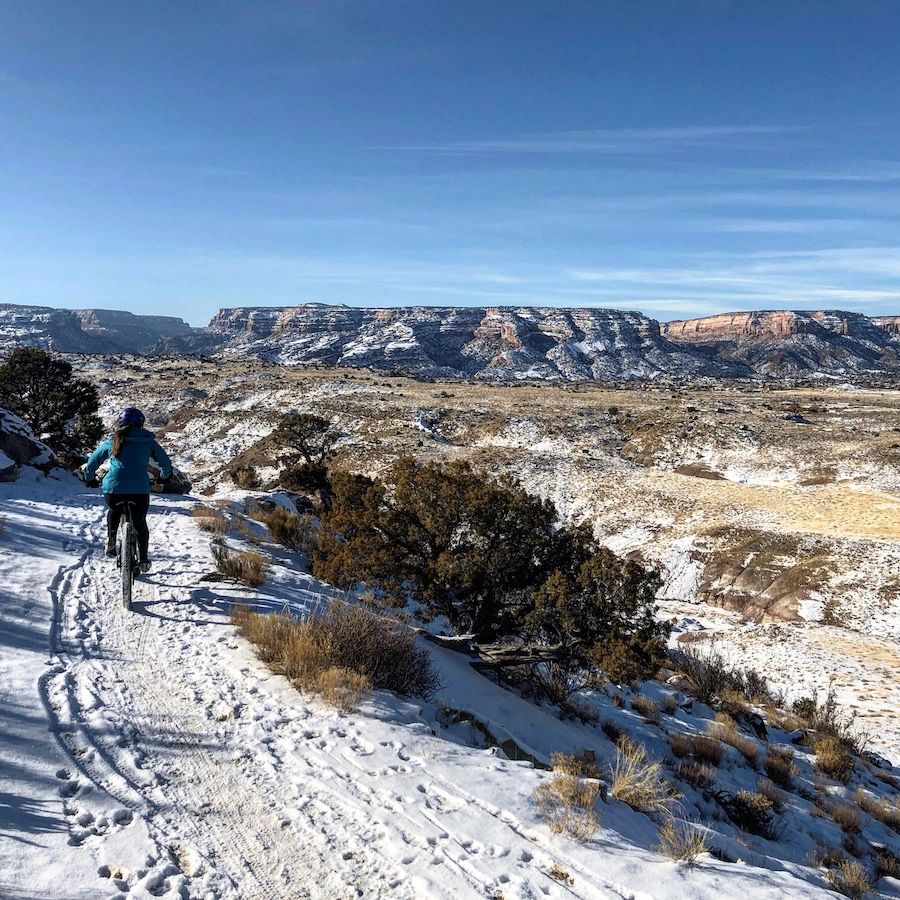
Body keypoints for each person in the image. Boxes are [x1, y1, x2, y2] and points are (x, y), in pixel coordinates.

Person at [83, 407, 173, 572]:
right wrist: (165, 476)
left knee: (114, 509)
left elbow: (92, 463)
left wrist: (89, 479)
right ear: (141, 424)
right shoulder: (148, 441)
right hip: (139, 490)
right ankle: (144, 559)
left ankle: (111, 540)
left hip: (113, 489)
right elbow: (166, 464)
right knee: (139, 521)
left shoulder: (112, 440)